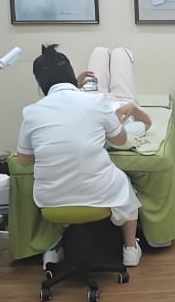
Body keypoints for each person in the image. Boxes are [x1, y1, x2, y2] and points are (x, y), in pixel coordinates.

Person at [16, 44, 143, 267]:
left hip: (52, 199)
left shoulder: (32, 111)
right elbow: (120, 141)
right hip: (100, 191)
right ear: (71, 75)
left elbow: (24, 160)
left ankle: (53, 246)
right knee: (125, 186)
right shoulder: (96, 101)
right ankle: (130, 249)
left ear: (40, 83)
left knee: (99, 51)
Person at [77, 46, 152, 145]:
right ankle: (122, 52)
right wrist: (132, 109)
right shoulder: (117, 133)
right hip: (123, 101)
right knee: (120, 53)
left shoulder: (85, 128)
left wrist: (76, 85)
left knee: (99, 51)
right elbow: (146, 124)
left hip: (92, 98)